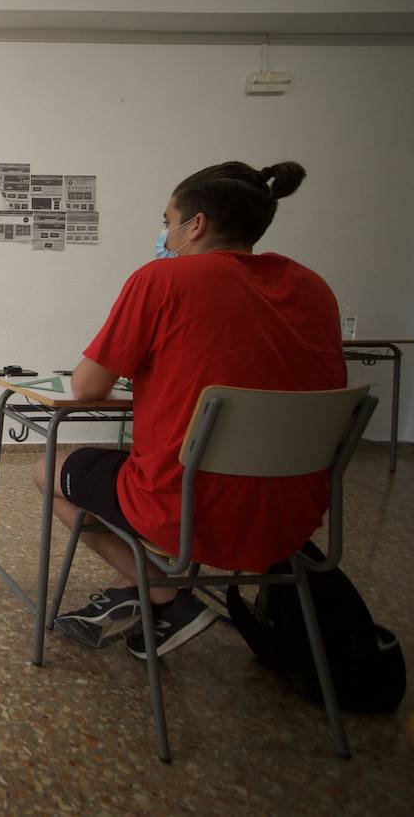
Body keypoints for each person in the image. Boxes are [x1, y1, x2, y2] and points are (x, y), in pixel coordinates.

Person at [40, 160, 345, 658]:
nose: (165, 234)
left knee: (47, 469)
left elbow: (87, 385)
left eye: (168, 221)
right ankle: (140, 600)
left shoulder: (163, 280)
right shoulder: (314, 288)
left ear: (196, 224)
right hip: (293, 516)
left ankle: (168, 596)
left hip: (185, 508)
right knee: (156, 472)